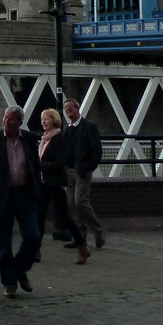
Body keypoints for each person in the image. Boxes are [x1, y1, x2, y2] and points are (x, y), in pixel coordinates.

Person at [0, 105, 43, 298]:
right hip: (1, 197)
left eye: (11, 119)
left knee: (32, 236)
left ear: (20, 122)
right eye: (5, 117)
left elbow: (35, 166)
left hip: (25, 195)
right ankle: (9, 283)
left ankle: (20, 269)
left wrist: (36, 189)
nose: (6, 121)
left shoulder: (30, 139)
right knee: (3, 241)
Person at [38, 108, 86, 264]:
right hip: (43, 183)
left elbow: (60, 162)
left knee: (64, 216)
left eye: (47, 118)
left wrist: (40, 165)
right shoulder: (44, 139)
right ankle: (35, 249)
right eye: (42, 119)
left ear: (55, 120)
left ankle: (81, 244)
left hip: (55, 183)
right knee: (38, 216)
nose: (44, 121)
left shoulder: (59, 139)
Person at [62, 98, 105, 250]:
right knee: (71, 204)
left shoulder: (89, 127)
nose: (68, 110)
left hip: (82, 171)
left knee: (80, 201)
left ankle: (98, 232)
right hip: (69, 170)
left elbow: (97, 150)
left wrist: (89, 167)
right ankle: (80, 238)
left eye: (70, 107)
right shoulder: (67, 129)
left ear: (77, 108)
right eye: (66, 108)